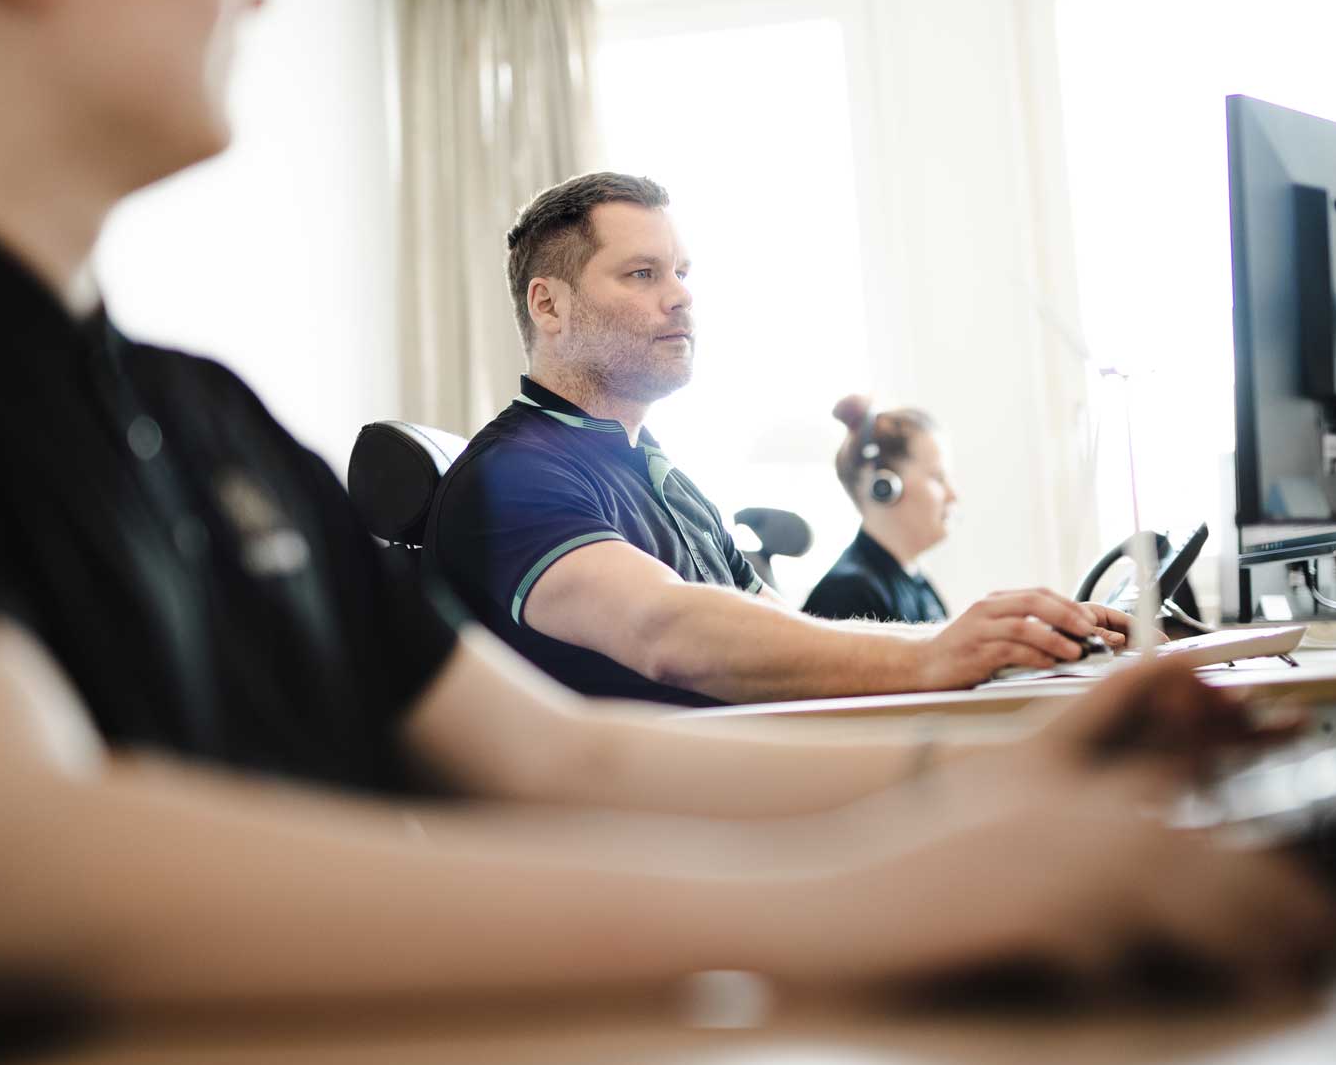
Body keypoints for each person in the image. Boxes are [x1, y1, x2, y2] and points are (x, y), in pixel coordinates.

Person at [0, 0, 1336, 1065]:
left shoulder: (205, 420)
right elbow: (20, 877)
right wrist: (856, 901)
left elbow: (552, 748)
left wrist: (997, 771)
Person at [426, 174, 1128, 708]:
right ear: (548, 304)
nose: (680, 296)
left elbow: (781, 628)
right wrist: (932, 659)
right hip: (639, 851)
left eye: (682, 272)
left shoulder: (660, 474)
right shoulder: (513, 476)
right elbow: (665, 630)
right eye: (643, 273)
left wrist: (1013, 641)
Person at [801, 395, 954, 625]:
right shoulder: (848, 594)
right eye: (937, 477)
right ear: (885, 486)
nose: (953, 496)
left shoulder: (915, 583)